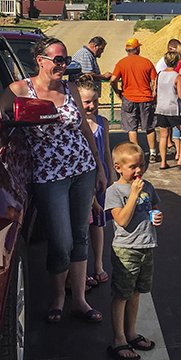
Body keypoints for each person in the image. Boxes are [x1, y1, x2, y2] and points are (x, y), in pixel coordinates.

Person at [3, 37, 107, 324]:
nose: (63, 65)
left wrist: (99, 167)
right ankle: (59, 297)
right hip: (50, 177)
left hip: (82, 170)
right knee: (60, 241)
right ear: (40, 60)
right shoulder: (20, 90)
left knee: (79, 236)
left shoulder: (69, 88)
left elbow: (85, 130)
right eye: (58, 60)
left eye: (66, 60)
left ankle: (80, 301)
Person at [105, 142, 163, 360]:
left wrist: (156, 215)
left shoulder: (146, 186)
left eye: (142, 165)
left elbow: (153, 207)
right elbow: (121, 219)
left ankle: (131, 332)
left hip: (146, 246)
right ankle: (118, 339)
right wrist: (133, 195)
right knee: (122, 295)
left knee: (137, 292)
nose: (139, 171)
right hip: (126, 250)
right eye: (133, 167)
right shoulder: (114, 191)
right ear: (118, 168)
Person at [76, 76, 116, 285]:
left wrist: (111, 175)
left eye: (95, 101)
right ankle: (80, 269)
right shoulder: (74, 124)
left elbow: (106, 150)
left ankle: (98, 263)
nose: (91, 106)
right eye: (86, 102)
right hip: (82, 179)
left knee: (98, 223)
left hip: (99, 180)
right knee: (81, 224)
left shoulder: (103, 123)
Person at [111, 37, 158, 161]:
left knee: (132, 128)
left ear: (127, 50)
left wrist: (117, 92)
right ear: (137, 49)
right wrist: (154, 94)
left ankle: (137, 154)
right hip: (145, 98)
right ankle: (153, 153)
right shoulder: (147, 62)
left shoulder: (121, 63)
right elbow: (154, 81)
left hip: (128, 98)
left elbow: (113, 79)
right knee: (149, 127)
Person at [155, 50, 181, 170]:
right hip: (174, 109)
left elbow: (154, 91)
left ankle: (163, 162)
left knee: (163, 136)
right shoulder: (177, 76)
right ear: (176, 62)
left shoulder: (159, 74)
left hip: (161, 108)